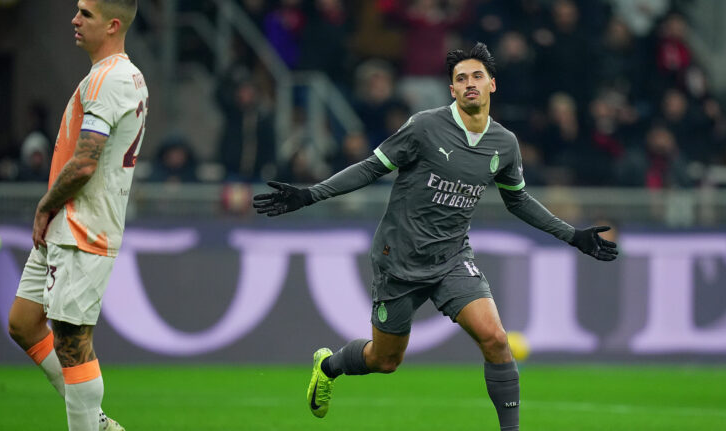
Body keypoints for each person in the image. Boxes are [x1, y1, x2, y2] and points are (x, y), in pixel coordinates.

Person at [253, 43, 618, 430]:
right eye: (461, 79)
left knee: (495, 338)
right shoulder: (426, 127)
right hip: (400, 258)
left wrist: (572, 235)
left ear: (492, 84)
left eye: (477, 76)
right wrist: (311, 193)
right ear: (452, 90)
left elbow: (518, 201)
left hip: (452, 259)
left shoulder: (504, 145)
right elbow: (370, 167)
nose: (470, 84)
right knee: (385, 360)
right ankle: (328, 366)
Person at [6, 1, 146, 430]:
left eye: (85, 13)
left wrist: (46, 204)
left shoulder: (110, 79)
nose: (75, 19)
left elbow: (87, 161)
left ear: (113, 25)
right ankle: (98, 422)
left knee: (72, 341)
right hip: (67, 223)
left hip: (83, 227)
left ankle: (91, 425)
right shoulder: (116, 76)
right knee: (25, 322)